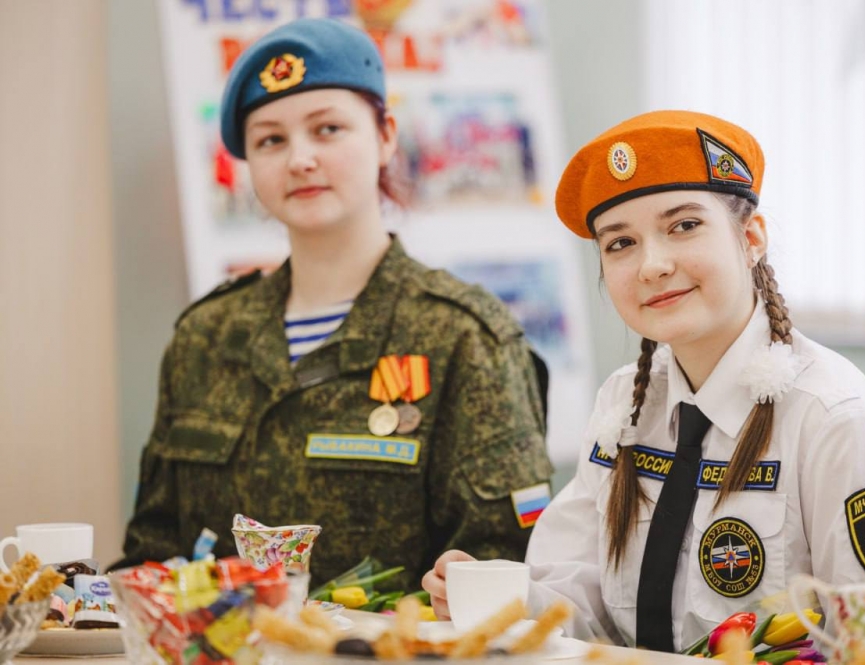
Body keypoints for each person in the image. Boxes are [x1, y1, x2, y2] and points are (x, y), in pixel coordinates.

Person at [423, 111, 865, 660]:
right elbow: (580, 607)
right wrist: (498, 598)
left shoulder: (840, 421)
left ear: (751, 238)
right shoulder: (624, 404)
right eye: (620, 243)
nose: (651, 265)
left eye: (683, 226)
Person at [116, 17, 553, 588]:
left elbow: (506, 568)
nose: (299, 159)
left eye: (327, 129)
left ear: (386, 135)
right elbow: (151, 555)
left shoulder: (465, 336)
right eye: (271, 140)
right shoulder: (205, 336)